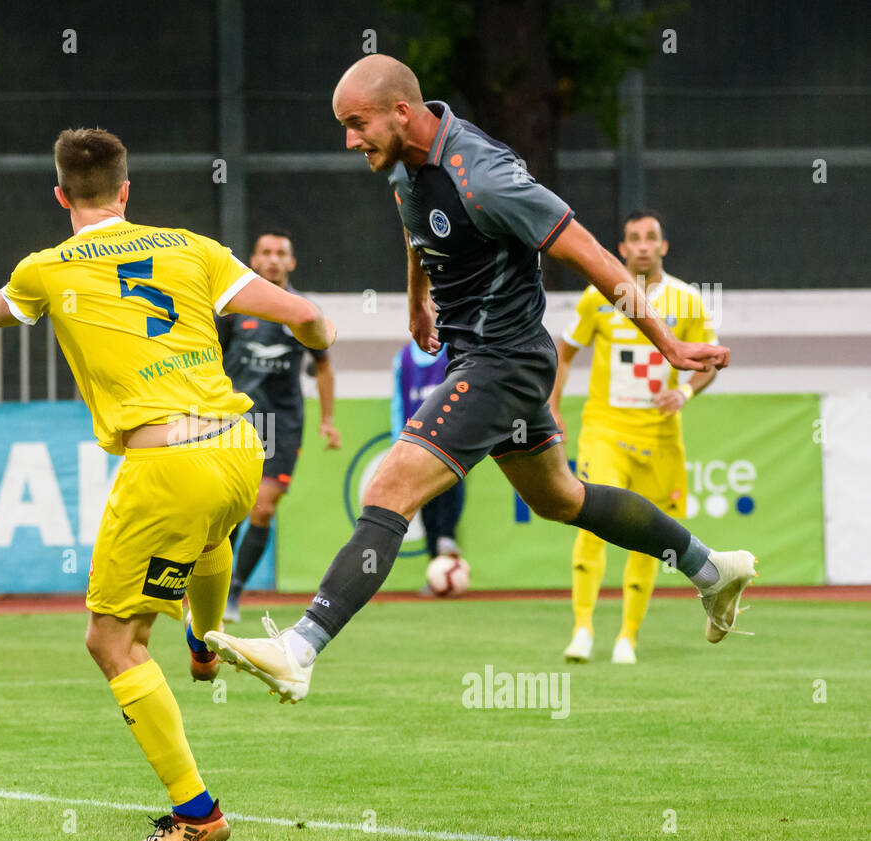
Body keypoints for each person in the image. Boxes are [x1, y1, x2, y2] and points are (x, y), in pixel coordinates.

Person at [203, 55, 755, 704]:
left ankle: (299, 648)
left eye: (356, 124)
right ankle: (711, 568)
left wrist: (667, 343)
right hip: (480, 356)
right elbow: (415, 225)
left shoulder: (486, 178)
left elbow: (595, 256)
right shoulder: (405, 161)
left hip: (504, 360)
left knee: (389, 483)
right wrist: (418, 298)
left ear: (400, 113)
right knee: (561, 498)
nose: (349, 140)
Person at [0, 128, 335, 841]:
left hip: (165, 461)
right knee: (209, 536)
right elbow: (306, 317)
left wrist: (23, 296)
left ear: (60, 196)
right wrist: (322, 349)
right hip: (239, 449)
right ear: (125, 192)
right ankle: (205, 643)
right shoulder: (191, 247)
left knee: (112, 640)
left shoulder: (43, 270)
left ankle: (196, 814)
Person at [551, 211, 718, 664]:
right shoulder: (599, 296)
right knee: (591, 521)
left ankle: (627, 636)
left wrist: (684, 392)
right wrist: (551, 406)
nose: (643, 246)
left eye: (651, 238)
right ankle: (582, 628)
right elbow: (563, 354)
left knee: (651, 535)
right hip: (605, 429)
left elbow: (708, 365)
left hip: (661, 437)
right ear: (621, 249)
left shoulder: (686, 301)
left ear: (664, 246)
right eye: (633, 239)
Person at [216, 230, 341, 622]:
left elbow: (323, 368)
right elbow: (212, 358)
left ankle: (234, 593)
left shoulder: (302, 311)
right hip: (235, 420)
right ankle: (216, 590)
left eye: (280, 253)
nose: (272, 259)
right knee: (228, 510)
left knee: (262, 508)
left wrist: (327, 420)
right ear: (253, 260)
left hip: (281, 423)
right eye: (265, 252)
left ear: (291, 263)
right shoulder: (233, 310)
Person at [392, 339, 465, 577]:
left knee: (451, 488)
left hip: (451, 439)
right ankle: (436, 560)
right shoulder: (402, 359)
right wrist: (398, 442)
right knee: (426, 503)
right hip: (417, 443)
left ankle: (447, 537)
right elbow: (398, 403)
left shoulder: (455, 353)